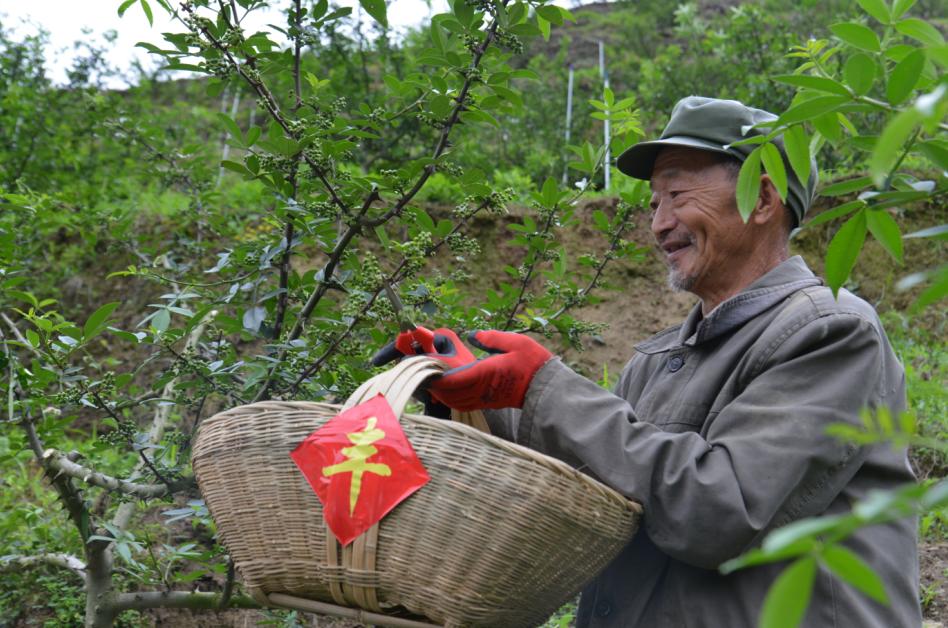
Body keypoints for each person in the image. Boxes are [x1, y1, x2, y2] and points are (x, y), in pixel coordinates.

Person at [373, 96, 921, 627]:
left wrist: (546, 386)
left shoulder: (831, 330)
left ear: (762, 199)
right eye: (655, 203)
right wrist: (481, 396)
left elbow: (717, 511)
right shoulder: (660, 358)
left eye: (678, 194)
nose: (659, 224)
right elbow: (602, 478)